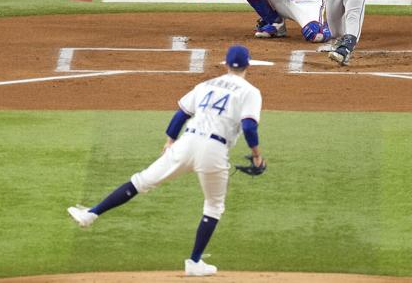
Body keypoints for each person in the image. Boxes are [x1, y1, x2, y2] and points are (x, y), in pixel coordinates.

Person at [67, 45, 266, 278]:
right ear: (248, 65)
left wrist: (170, 141)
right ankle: (194, 262)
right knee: (213, 206)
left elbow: (181, 113)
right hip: (214, 149)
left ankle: (91, 214)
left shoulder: (206, 85)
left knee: (141, 181)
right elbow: (249, 127)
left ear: (225, 63)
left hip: (187, 141)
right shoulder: (250, 91)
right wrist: (257, 155)